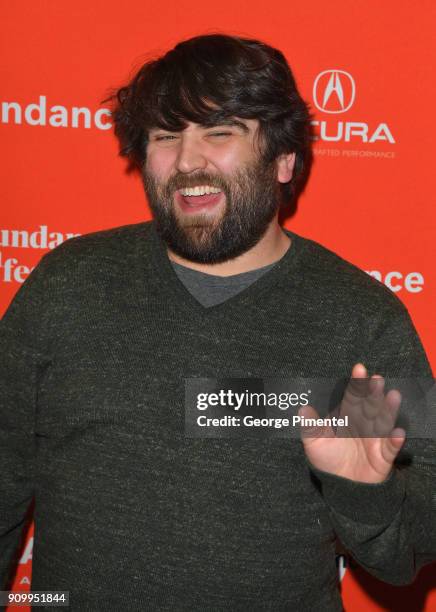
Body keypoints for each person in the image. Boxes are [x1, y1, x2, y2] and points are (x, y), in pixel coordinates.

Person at [0, 33, 435, 611]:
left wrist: (365, 491)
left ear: (283, 159)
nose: (186, 160)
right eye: (164, 136)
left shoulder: (363, 318)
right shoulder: (66, 284)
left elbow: (410, 552)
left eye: (219, 132)